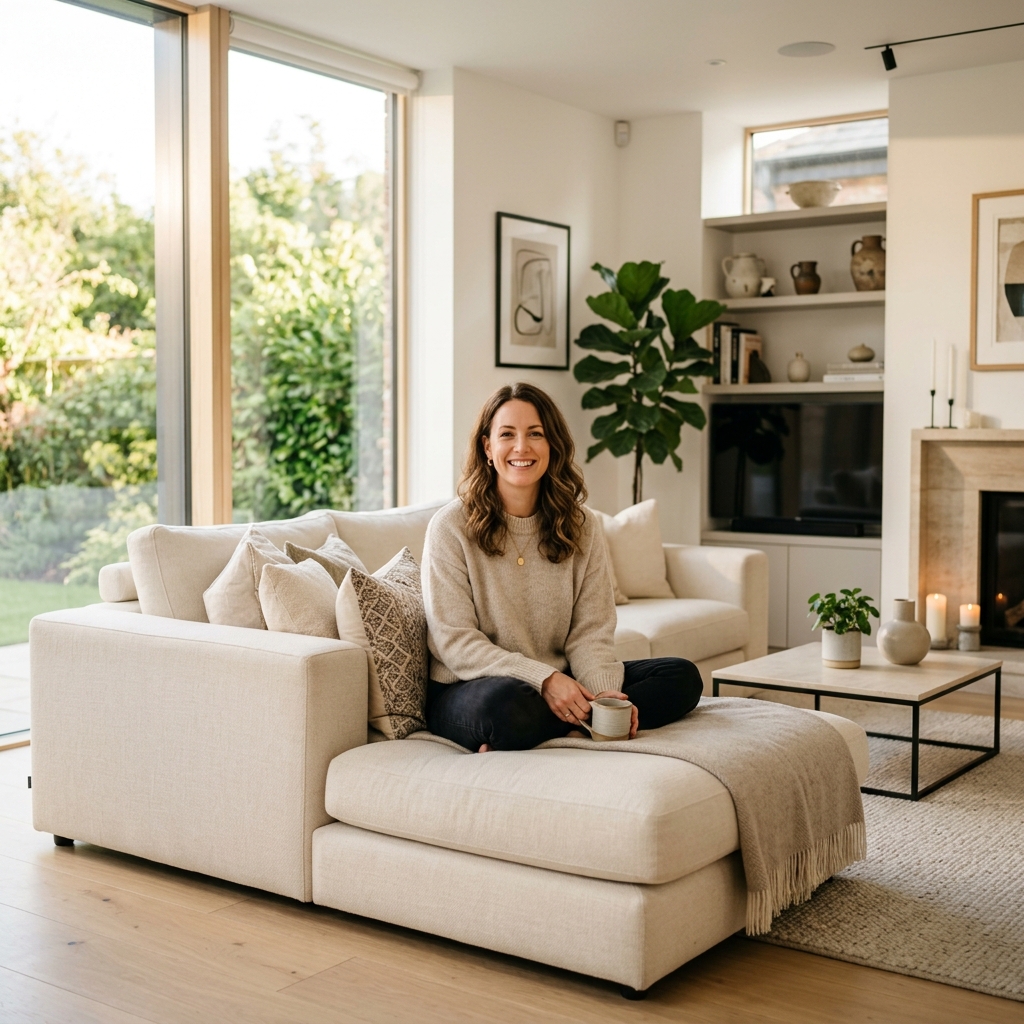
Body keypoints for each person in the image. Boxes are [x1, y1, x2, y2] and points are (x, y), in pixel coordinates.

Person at [421, 381, 703, 752]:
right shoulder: (450, 527)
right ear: (488, 447)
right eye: (507, 434)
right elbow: (456, 643)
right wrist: (546, 679)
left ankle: (563, 723)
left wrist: (605, 694)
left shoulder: (580, 526)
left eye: (535, 434)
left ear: (552, 446)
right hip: (471, 685)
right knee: (505, 707)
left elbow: (591, 631)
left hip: (561, 680)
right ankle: (568, 723)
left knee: (681, 677)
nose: (521, 447)